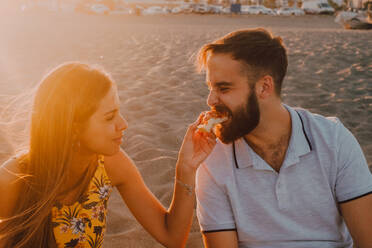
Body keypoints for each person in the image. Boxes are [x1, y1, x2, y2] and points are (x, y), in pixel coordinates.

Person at [0, 63, 216, 248]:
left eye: (119, 112)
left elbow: (172, 237)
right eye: (109, 117)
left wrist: (186, 168)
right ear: (72, 127)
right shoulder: (14, 179)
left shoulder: (109, 164)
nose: (123, 124)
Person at [194, 28, 372, 248]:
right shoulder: (213, 159)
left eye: (223, 88)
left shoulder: (333, 140)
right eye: (210, 87)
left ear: (264, 87)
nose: (211, 100)